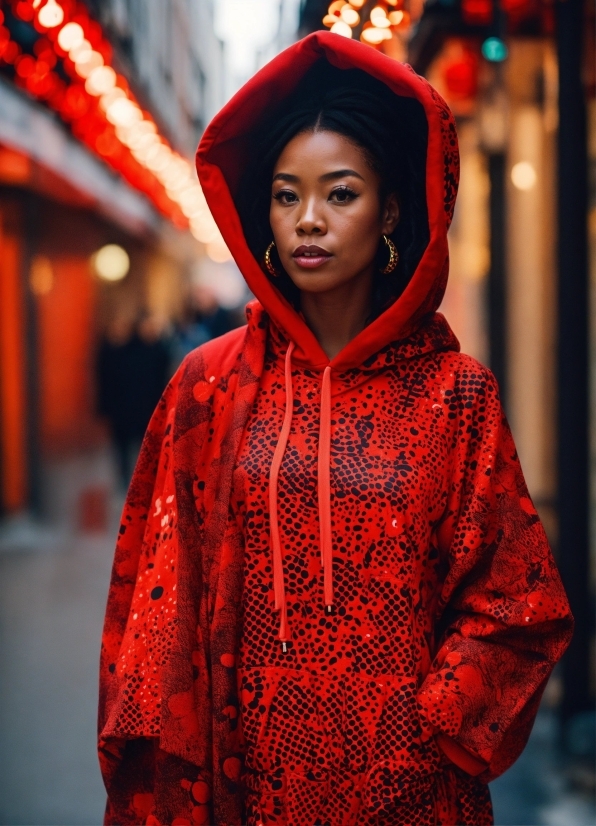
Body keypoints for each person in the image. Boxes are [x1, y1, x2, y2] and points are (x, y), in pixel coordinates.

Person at [98, 33, 572, 826]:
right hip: (237, 789)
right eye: (287, 196)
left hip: (412, 795)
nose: (308, 220)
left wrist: (431, 729)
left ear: (390, 207)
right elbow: (153, 599)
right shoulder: (207, 387)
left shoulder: (455, 395)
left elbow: (519, 600)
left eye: (339, 194)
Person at [96, 311, 170, 491]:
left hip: (146, 407)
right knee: (122, 446)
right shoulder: (114, 351)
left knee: (144, 445)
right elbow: (106, 381)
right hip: (123, 408)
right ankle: (125, 479)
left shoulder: (156, 349)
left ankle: (143, 479)